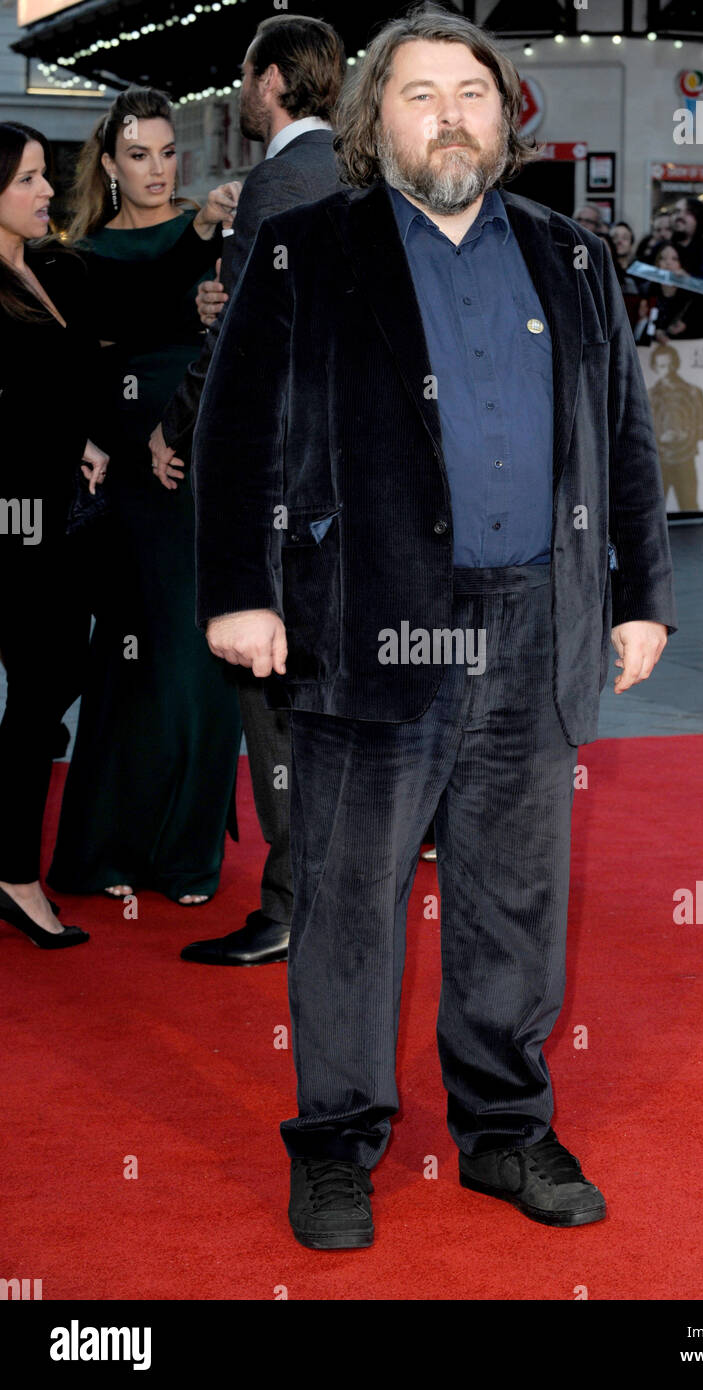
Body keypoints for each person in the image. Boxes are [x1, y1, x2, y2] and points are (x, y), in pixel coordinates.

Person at [193, 4, 675, 1250]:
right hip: (369, 627)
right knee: (350, 903)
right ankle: (337, 1145)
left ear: (501, 118)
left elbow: (625, 436)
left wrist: (639, 599)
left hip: (537, 627)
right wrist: (239, 592)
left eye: (471, 93)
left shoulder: (573, 257)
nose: (450, 114)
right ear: (373, 119)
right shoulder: (308, 249)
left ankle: (506, 1130)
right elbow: (233, 430)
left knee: (514, 900)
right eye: (419, 93)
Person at [148, 16, 346, 965]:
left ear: (271, 81)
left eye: (242, 75)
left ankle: (291, 904)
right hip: (351, 484)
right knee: (323, 691)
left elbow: (240, 341)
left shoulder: (277, 183)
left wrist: (172, 426)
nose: (237, 90)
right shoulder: (361, 174)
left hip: (277, 476)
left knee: (266, 690)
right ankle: (337, 885)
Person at [45, 86, 243, 906]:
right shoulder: (83, 253)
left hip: (197, 463)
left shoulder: (213, 235)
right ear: (110, 164)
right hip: (125, 476)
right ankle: (110, 846)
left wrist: (217, 297)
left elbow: (243, 335)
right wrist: (128, 444)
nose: (158, 170)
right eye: (139, 155)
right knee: (128, 664)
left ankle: (188, 854)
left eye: (168, 152)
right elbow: (86, 358)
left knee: (197, 660)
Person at [0, 122, 107, 948]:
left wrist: (80, 442)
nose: (47, 192)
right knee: (38, 693)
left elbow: (51, 391)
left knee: (49, 686)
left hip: (55, 517)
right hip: (12, 527)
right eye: (31, 178)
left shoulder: (39, 270)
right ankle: (13, 871)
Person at [647, 343, 703, 512]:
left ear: (677, 364)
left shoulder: (693, 392)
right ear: (654, 367)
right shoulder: (649, 395)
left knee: (689, 507)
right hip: (658, 461)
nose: (667, 370)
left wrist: (685, 434)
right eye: (662, 366)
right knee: (655, 512)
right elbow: (642, 429)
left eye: (670, 364)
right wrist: (660, 437)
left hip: (685, 460)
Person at [649, 241, 703, 341]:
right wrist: (656, 331)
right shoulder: (648, 289)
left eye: (674, 259)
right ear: (657, 263)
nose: (668, 263)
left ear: (681, 264)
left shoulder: (692, 296)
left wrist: (689, 281)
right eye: (662, 258)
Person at [671, 195, 703, 287]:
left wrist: (688, 280)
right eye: (677, 211)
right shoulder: (664, 246)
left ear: (699, 218)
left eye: (688, 213)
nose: (680, 216)